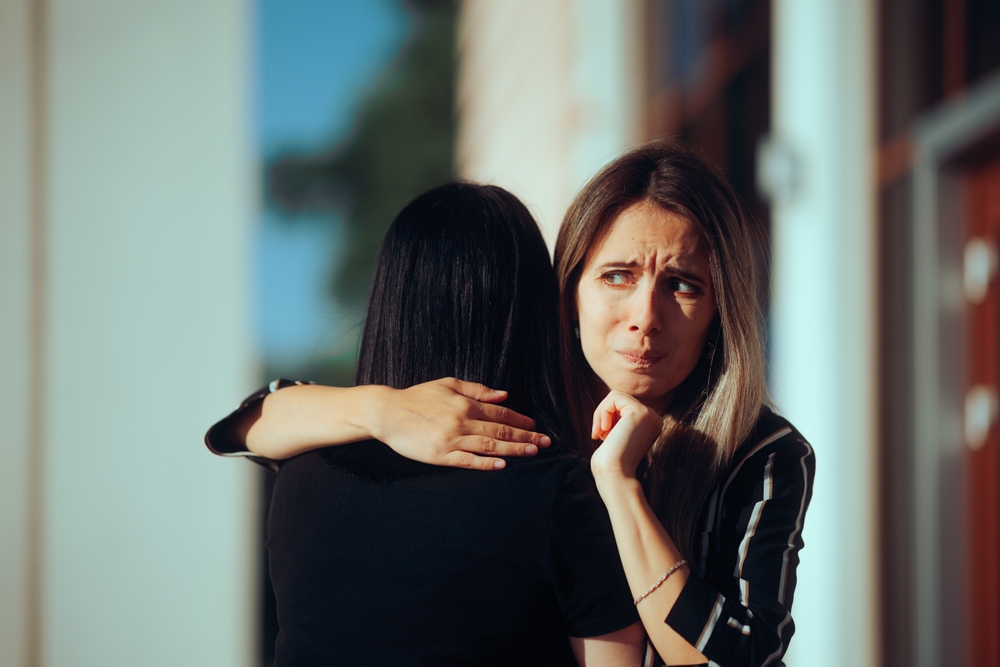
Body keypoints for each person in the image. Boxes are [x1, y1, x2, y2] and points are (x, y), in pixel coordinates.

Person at [208, 143, 815, 666]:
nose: (644, 319)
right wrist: (381, 410)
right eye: (617, 276)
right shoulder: (518, 412)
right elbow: (245, 426)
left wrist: (619, 485)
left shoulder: (762, 451)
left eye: (683, 284)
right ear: (569, 288)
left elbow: (734, 655)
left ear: (721, 309)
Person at [220, 182, 645, 666]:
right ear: (531, 313)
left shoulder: (300, 479)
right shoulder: (556, 492)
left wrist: (378, 409)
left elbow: (244, 426)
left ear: (389, 305)